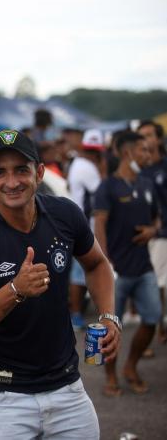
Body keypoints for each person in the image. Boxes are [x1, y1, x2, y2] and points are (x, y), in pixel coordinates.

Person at [0, 129, 120, 439]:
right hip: (3, 399)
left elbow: (97, 264)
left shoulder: (65, 214)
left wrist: (108, 315)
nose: (11, 182)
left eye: (21, 170)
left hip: (68, 390)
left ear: (39, 172)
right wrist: (15, 291)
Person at [94, 131, 161, 396]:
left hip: (143, 268)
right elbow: (99, 224)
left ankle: (130, 367)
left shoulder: (146, 184)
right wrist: (104, 262)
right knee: (107, 327)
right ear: (127, 153)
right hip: (116, 271)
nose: (148, 155)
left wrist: (152, 231)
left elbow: (157, 219)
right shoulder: (108, 186)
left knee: (152, 319)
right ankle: (109, 375)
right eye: (143, 150)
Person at [66, 129, 107, 330]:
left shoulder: (80, 164)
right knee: (79, 274)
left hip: (81, 224)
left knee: (81, 272)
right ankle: (75, 315)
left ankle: (76, 314)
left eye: (96, 151)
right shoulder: (86, 166)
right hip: (84, 226)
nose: (93, 154)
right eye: (91, 151)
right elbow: (102, 193)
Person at [138, 120, 167, 345]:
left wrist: (157, 228)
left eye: (148, 135)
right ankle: (159, 327)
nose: (145, 140)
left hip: (161, 235)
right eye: (141, 136)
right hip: (143, 236)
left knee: (158, 284)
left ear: (158, 139)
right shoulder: (138, 172)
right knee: (154, 285)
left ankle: (159, 328)